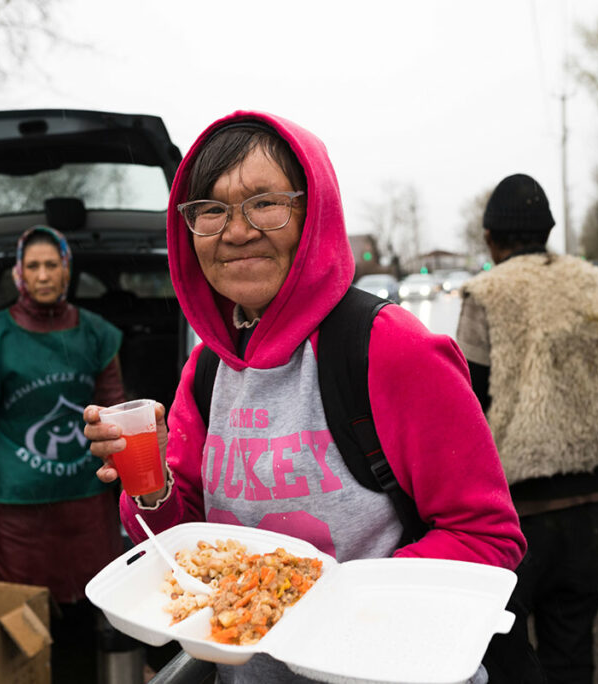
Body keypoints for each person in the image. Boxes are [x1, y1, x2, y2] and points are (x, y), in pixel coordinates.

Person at [83, 111, 527, 683]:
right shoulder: (208, 368)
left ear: (312, 213)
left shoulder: (391, 349)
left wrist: (332, 603)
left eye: (265, 202)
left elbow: (487, 536)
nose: (237, 231)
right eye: (211, 210)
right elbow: (180, 545)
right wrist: (148, 486)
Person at [454, 173, 598, 684]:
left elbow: (468, 402)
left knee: (507, 653)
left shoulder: (487, 294)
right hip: (595, 510)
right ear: (546, 230)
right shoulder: (595, 283)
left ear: (491, 239)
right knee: (572, 645)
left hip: (519, 518)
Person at [0, 225, 127, 681]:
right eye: (33, 266)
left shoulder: (97, 335)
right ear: (19, 274)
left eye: (52, 264)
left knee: (86, 608)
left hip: (84, 501)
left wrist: (133, 486)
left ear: (67, 270)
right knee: (23, 614)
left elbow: (115, 417)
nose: (43, 275)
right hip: (18, 507)